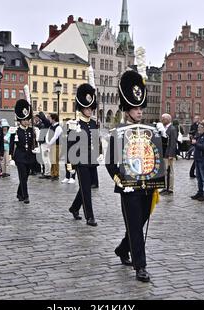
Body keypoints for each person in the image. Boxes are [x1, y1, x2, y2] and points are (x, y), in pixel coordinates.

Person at [106, 70, 165, 283]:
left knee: (137, 224)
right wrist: (120, 181)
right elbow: (110, 163)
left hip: (148, 185)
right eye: (135, 108)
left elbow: (156, 157)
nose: (139, 112)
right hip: (129, 187)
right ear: (127, 110)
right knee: (134, 225)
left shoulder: (150, 130)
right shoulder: (118, 133)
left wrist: (163, 139)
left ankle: (123, 248)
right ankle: (141, 267)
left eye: (141, 108)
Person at [67, 84, 101, 227]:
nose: (90, 111)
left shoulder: (94, 123)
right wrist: (70, 163)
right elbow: (70, 145)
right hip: (80, 160)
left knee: (87, 186)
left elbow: (96, 140)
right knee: (86, 188)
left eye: (91, 108)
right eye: (87, 108)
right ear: (82, 108)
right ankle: (90, 217)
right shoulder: (75, 124)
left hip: (91, 159)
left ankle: (74, 207)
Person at [9, 100, 38, 203]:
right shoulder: (15, 131)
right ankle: (26, 196)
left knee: (25, 177)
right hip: (20, 157)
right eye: (24, 120)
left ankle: (19, 193)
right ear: (20, 121)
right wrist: (11, 157)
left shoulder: (32, 130)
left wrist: (36, 149)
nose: (26, 121)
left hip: (29, 157)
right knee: (22, 176)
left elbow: (34, 143)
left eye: (27, 119)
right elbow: (12, 145)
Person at [190, 122, 204, 202]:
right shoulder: (198, 135)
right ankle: (200, 192)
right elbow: (196, 145)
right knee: (199, 177)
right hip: (197, 158)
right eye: (198, 127)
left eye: (200, 127)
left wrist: (196, 143)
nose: (198, 128)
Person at [160, 113, 178, 195]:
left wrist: (171, 154)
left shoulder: (172, 129)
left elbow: (173, 143)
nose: (162, 120)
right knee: (164, 171)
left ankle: (170, 189)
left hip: (168, 154)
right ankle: (165, 187)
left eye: (163, 119)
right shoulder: (164, 128)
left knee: (169, 171)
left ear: (168, 119)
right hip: (164, 153)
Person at [46, 114, 63, 181]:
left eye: (50, 118)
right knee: (52, 160)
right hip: (51, 145)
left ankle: (56, 174)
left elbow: (55, 137)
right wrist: (48, 142)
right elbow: (47, 135)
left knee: (55, 160)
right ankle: (52, 173)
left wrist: (49, 143)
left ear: (53, 119)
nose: (49, 119)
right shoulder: (51, 127)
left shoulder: (58, 127)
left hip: (57, 145)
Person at [37, 112, 52, 179]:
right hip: (43, 142)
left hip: (45, 143)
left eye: (49, 116)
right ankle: (46, 172)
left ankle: (47, 173)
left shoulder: (47, 122)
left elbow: (43, 119)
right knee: (45, 158)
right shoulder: (44, 123)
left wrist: (40, 113)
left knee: (46, 159)